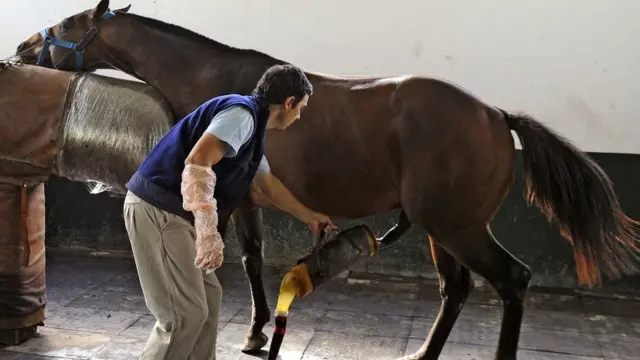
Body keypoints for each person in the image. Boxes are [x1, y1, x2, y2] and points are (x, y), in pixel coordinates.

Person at [122, 64, 336, 360]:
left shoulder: (252, 130)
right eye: (301, 107)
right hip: (158, 209)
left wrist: (310, 217)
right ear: (289, 102)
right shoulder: (241, 115)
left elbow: (268, 186)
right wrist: (208, 230)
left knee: (209, 299)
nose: (300, 115)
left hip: (175, 214)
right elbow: (197, 161)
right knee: (185, 314)